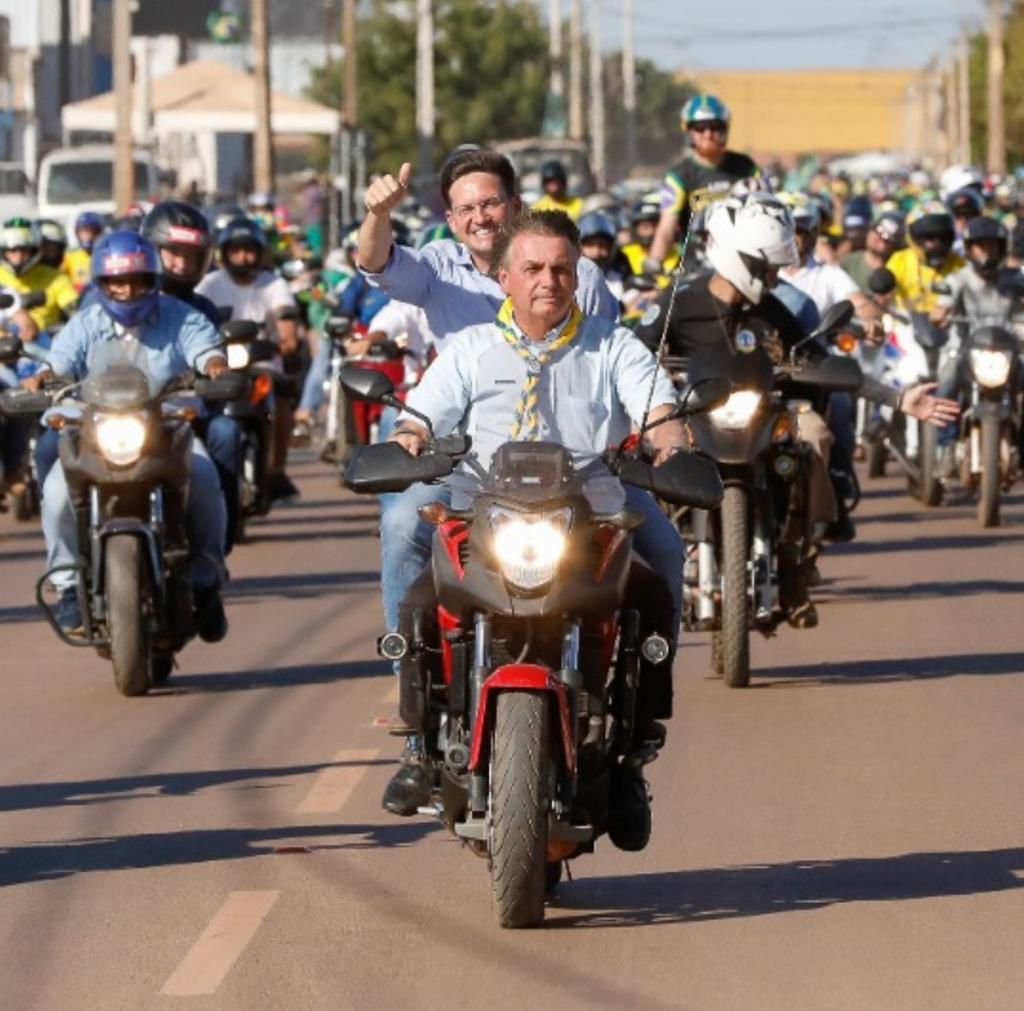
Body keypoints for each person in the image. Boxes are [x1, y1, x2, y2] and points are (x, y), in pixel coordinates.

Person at [379, 209, 687, 818]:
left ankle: (635, 749)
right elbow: (420, 416)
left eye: (561, 269)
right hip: (481, 506)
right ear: (505, 279)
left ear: (577, 276)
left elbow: (657, 407)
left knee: (660, 572)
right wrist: (408, 439)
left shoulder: (611, 343)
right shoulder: (469, 349)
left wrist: (670, 440)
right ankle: (418, 747)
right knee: (420, 603)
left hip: (592, 505)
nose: (548, 280)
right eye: (533, 268)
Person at [633, 193, 958, 622]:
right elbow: (632, 353)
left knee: (808, 447)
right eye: (766, 268)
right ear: (741, 259)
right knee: (644, 459)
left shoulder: (775, 312)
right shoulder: (679, 301)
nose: (772, 277)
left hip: (761, 416)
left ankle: (796, 557)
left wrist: (898, 398)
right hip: (695, 418)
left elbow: (817, 357)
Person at [357, 149, 624, 635]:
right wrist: (378, 213)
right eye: (467, 209)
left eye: (492, 203)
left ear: (516, 204)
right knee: (399, 526)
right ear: (452, 220)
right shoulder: (437, 269)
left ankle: (633, 690)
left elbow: (611, 355)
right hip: (465, 458)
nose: (481, 217)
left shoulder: (579, 275)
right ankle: (412, 680)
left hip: (571, 453)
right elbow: (377, 263)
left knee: (656, 546)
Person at [26, 231, 230, 641]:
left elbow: (207, 350)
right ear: (101, 285)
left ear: (152, 279)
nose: (127, 290)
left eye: (137, 281)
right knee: (56, 494)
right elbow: (58, 363)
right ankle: (68, 587)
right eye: (117, 282)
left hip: (166, 425)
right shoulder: (85, 322)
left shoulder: (181, 316)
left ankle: (206, 579)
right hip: (98, 431)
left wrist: (215, 368)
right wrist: (43, 378)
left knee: (206, 479)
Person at [197, 216, 300, 501]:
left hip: (262, 365)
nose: (243, 257)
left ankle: (277, 471)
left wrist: (286, 339)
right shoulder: (209, 284)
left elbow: (285, 316)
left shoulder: (274, 283)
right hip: (219, 367)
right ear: (224, 253)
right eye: (236, 250)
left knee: (280, 406)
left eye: (250, 250)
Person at [647, 94, 760, 267]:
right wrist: (653, 264)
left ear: (725, 129)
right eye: (700, 128)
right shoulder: (678, 175)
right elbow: (666, 228)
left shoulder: (747, 167)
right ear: (689, 132)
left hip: (744, 262)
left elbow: (765, 215)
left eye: (715, 127)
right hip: (696, 265)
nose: (708, 134)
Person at [886, 202, 966, 314]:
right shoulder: (900, 261)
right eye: (928, 237)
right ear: (912, 236)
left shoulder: (959, 265)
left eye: (942, 237)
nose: (936, 244)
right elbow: (885, 293)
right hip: (907, 326)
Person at [0, 218, 78, 332]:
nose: (18, 257)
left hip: (44, 344)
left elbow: (75, 310)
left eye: (24, 250)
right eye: (12, 250)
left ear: (34, 250)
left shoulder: (56, 278)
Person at [842, 211, 905, 292]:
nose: (879, 237)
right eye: (877, 230)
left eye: (887, 238)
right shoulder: (847, 262)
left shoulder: (898, 269)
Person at [620, 199, 680, 280]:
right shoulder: (624, 256)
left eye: (656, 227)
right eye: (645, 227)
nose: (652, 232)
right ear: (635, 230)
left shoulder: (680, 255)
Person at [65, 212, 105, 292]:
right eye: (83, 232)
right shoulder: (70, 257)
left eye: (90, 231)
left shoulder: (105, 256)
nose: (86, 236)